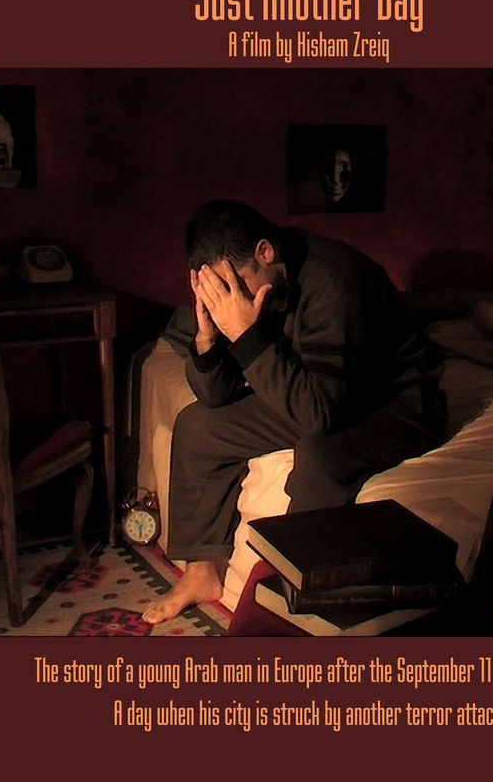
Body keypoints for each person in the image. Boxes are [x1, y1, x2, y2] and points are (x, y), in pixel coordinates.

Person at [142, 200, 447, 624]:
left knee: (320, 456)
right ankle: (201, 572)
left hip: (393, 402)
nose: (231, 298)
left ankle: (292, 587)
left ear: (266, 252)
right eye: (218, 290)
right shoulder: (246, 286)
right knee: (197, 426)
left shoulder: (335, 282)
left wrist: (246, 334)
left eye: (235, 286)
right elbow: (216, 396)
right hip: (313, 389)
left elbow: (317, 419)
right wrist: (209, 340)